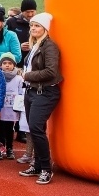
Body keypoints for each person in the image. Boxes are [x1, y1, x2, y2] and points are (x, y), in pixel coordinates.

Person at [18, 12, 61, 185]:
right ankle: (37, 165)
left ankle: (46, 169)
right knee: (34, 128)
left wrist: (27, 75)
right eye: (32, 25)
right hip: (32, 92)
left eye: (37, 26)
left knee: (36, 128)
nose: (33, 28)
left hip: (45, 92)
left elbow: (51, 72)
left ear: (45, 29)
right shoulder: (35, 45)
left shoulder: (49, 46)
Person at [0, 52, 23, 160]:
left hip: (12, 110)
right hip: (0, 109)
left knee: (10, 129)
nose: (7, 65)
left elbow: (21, 93)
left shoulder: (19, 79)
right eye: (4, 63)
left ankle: (9, 148)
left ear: (14, 65)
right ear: (0, 65)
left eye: (10, 63)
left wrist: (19, 108)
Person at [7, 0, 37, 66]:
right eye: (27, 12)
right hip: (16, 64)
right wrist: (19, 46)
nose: (30, 14)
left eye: (32, 11)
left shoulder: (40, 22)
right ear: (22, 11)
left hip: (34, 63)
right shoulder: (11, 22)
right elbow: (5, 41)